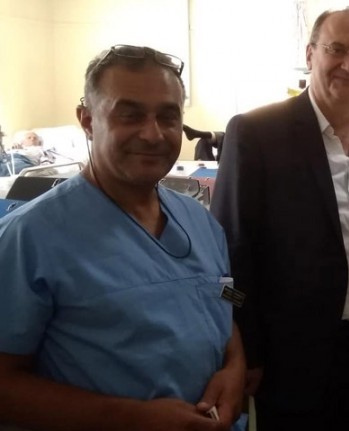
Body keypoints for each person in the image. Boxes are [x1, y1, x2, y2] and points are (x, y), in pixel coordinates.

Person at [0, 45, 245, 430]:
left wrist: (235, 366)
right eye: (130, 115)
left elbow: (225, 296)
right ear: (87, 120)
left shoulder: (201, 223)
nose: (153, 134)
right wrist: (129, 418)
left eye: (168, 116)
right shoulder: (29, 239)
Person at [211, 8, 349, 430]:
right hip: (289, 353)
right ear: (310, 53)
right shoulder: (257, 132)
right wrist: (246, 348)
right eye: (337, 49)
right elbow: (231, 250)